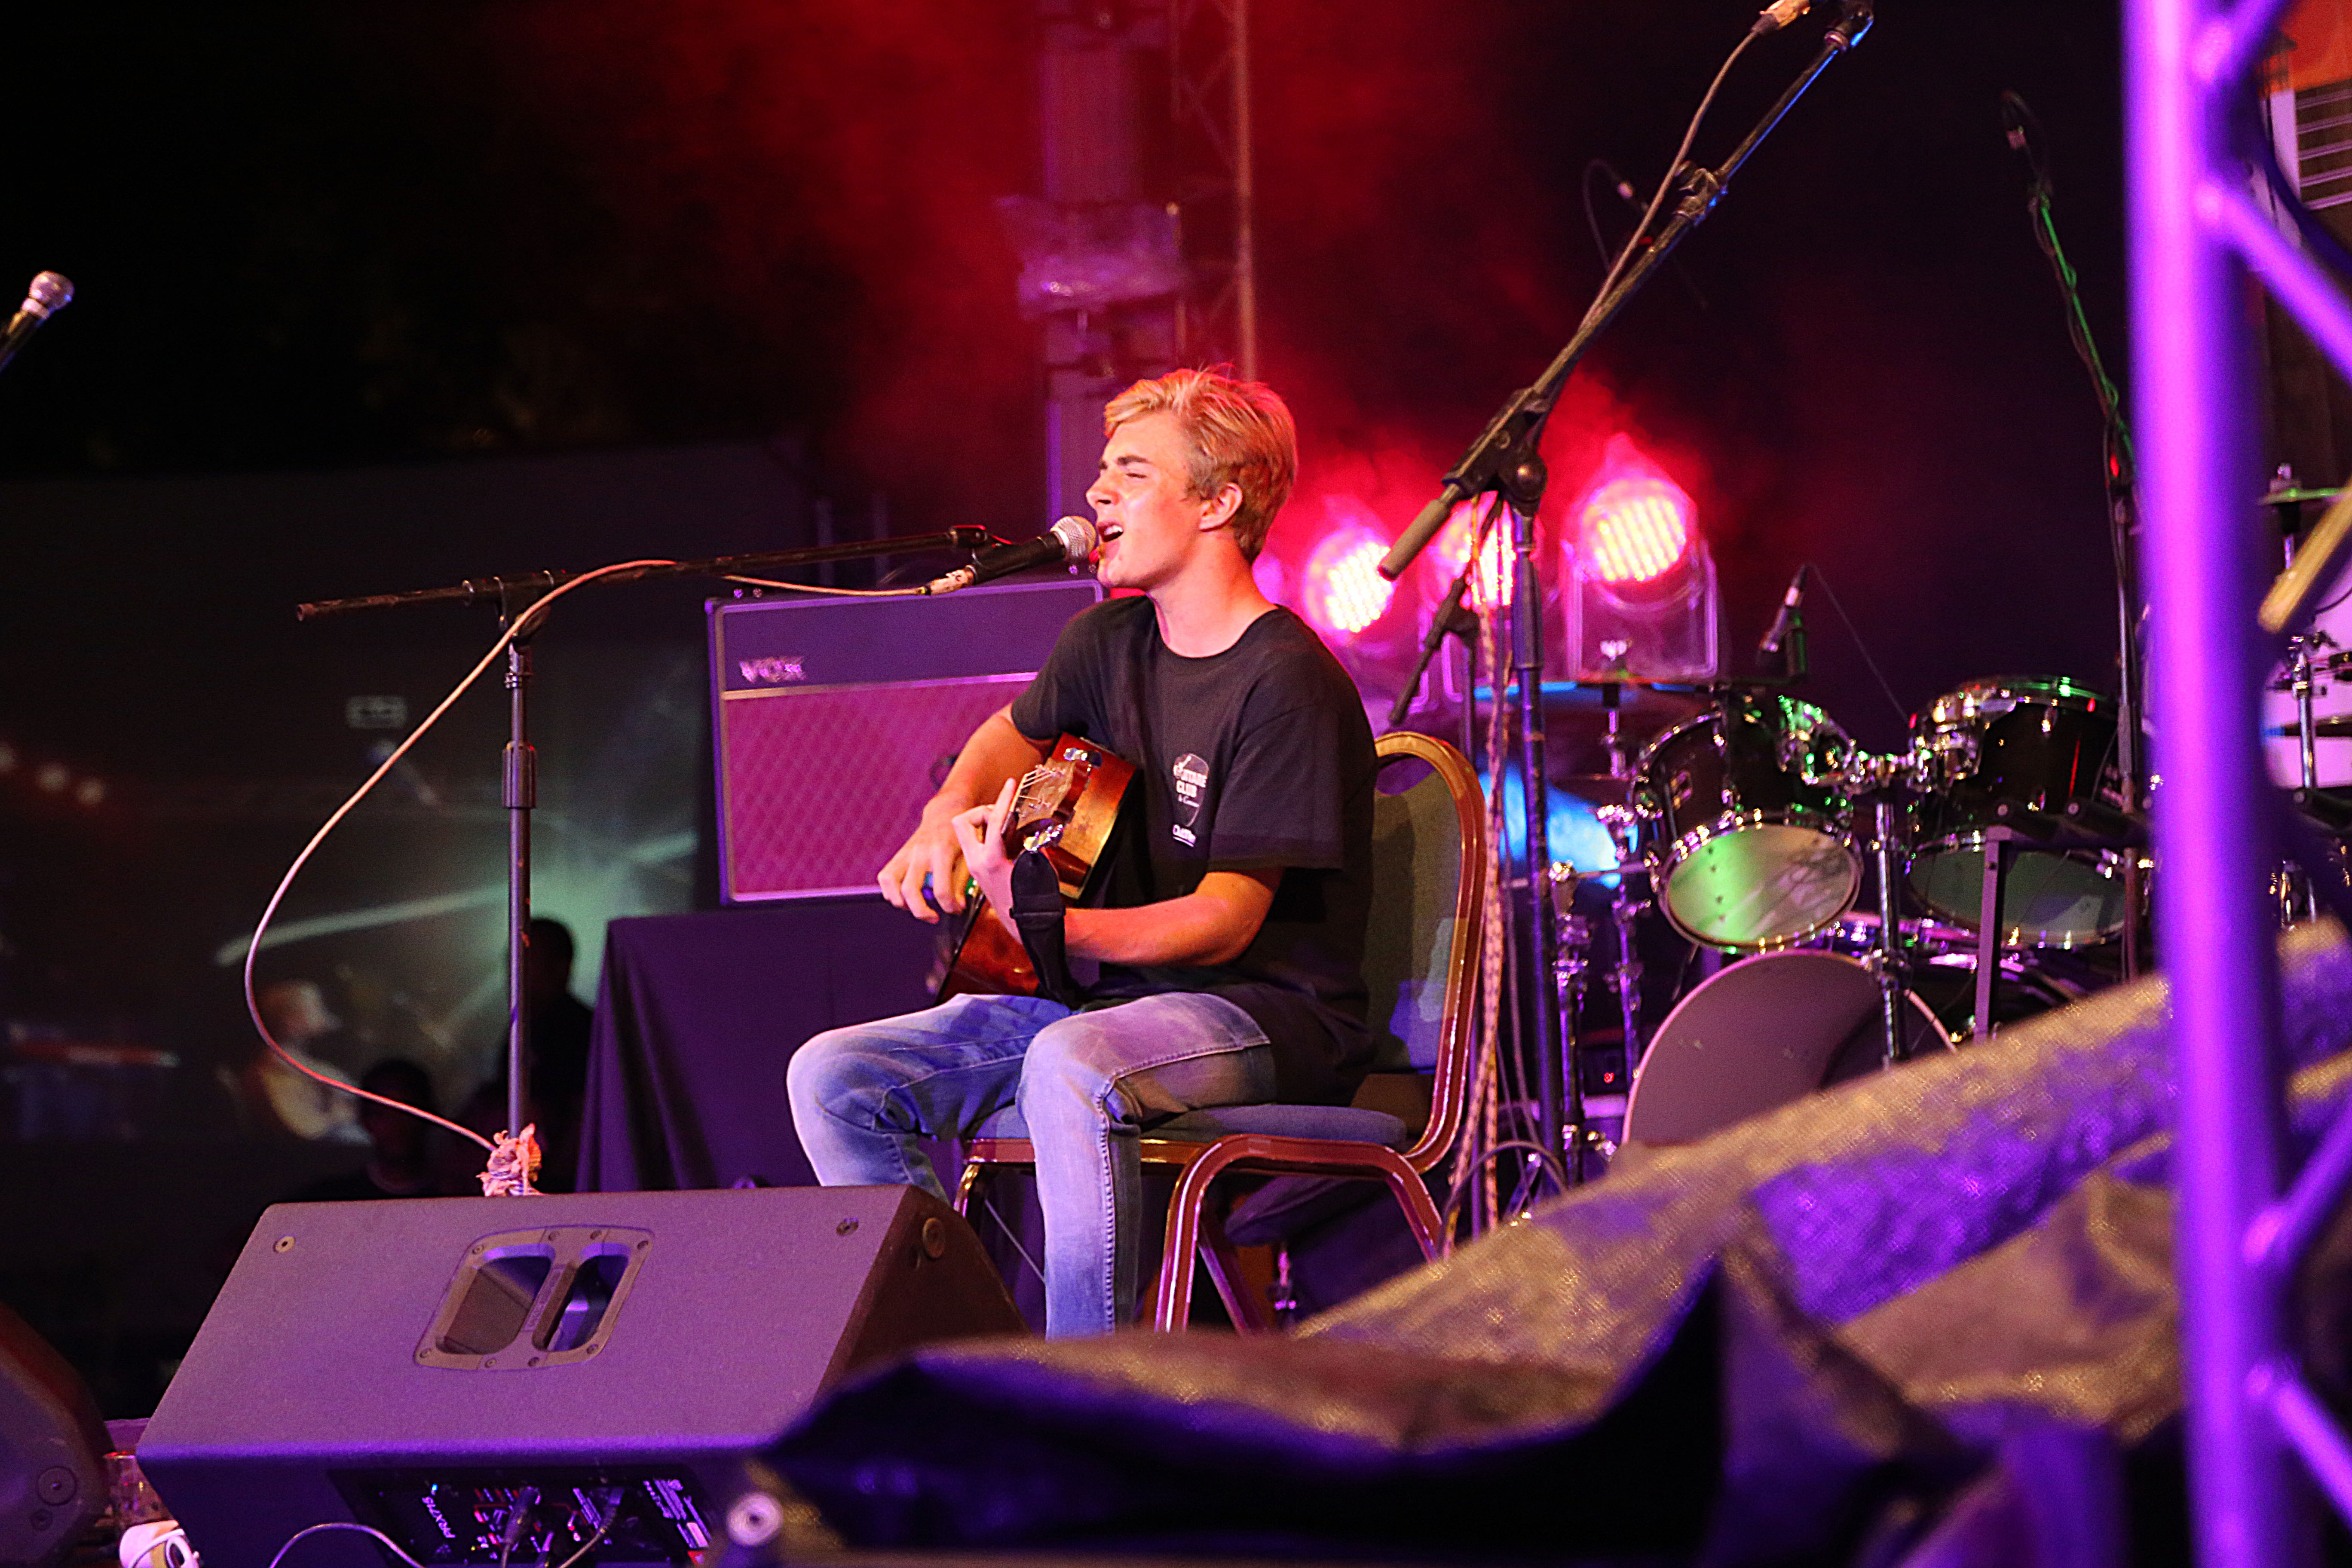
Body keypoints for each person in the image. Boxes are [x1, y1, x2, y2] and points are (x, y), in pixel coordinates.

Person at [787, 368, 1376, 1336]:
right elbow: (1001, 740)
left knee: (1069, 1062)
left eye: (1131, 474)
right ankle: (960, 1362)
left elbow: (1227, 920)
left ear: (1219, 502)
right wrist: (945, 812)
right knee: (833, 1077)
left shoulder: (1286, 679)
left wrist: (1048, 923)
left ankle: (1081, 1395)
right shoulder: (1105, 640)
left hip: (1266, 1017)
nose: (1096, 495)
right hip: (1110, 1010)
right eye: (1103, 471)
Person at [287, 1058, 450, 1200]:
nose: (396, 1123)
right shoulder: (327, 1200)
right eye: (381, 1113)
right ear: (365, 1120)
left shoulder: (457, 1198)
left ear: (430, 1115)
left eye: (406, 1111)